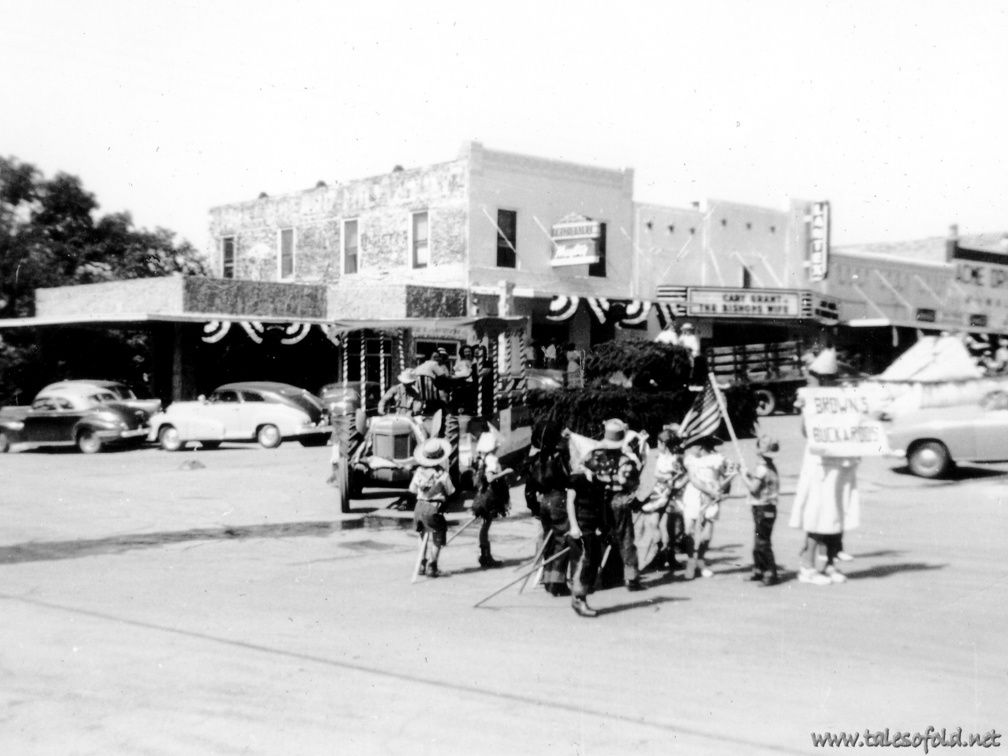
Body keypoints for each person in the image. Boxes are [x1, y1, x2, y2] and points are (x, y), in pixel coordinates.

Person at [586, 419, 647, 592]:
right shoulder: (625, 461)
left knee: (599, 538)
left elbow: (589, 476)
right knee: (626, 539)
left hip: (599, 500)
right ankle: (631, 579)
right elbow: (633, 484)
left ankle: (592, 578)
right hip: (619, 500)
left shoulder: (594, 458)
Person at [790, 450, 860, 585]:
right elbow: (806, 429)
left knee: (836, 515)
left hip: (843, 461)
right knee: (818, 516)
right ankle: (807, 568)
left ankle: (829, 565)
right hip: (821, 464)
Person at [523, 421, 572, 596]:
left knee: (549, 541)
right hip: (559, 499)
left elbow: (528, 490)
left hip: (543, 501)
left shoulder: (534, 460)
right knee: (562, 539)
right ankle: (557, 582)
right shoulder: (561, 456)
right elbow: (569, 477)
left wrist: (535, 508)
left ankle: (548, 578)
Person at [681, 434, 736, 579]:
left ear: (699, 446)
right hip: (694, 495)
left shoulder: (718, 459)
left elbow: (728, 477)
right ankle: (691, 562)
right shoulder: (690, 459)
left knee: (706, 533)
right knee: (689, 531)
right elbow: (693, 479)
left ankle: (700, 560)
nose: (689, 449)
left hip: (712, 498)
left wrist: (722, 492)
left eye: (692, 445)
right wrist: (709, 491)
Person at [566, 437, 609, 618]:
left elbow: (600, 504)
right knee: (582, 562)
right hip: (581, 525)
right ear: (585, 459)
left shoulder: (597, 480)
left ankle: (582, 597)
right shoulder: (576, 479)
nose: (601, 461)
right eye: (596, 458)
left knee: (591, 561)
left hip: (593, 525)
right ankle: (578, 600)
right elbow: (570, 503)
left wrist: (602, 525)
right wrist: (574, 526)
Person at [641, 424, 688, 571]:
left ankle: (669, 554)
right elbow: (656, 474)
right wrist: (665, 476)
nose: (657, 446)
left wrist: (673, 481)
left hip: (671, 494)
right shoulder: (661, 457)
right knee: (653, 523)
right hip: (659, 492)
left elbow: (684, 476)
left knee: (670, 526)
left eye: (658, 443)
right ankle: (660, 548)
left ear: (664, 444)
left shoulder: (676, 459)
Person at [410, 438, 455, 578]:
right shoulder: (443, 474)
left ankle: (421, 563)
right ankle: (432, 565)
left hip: (419, 507)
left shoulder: (418, 472)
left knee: (422, 533)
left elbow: (412, 489)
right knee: (438, 535)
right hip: (433, 508)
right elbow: (451, 491)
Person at [742, 435, 781, 586]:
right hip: (768, 507)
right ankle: (759, 569)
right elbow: (761, 482)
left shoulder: (762, 468)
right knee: (759, 540)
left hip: (762, 507)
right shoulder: (770, 467)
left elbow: (753, 488)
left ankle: (770, 573)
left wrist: (742, 475)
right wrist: (750, 475)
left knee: (763, 542)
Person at [470, 432, 512, 568]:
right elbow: (490, 478)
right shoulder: (492, 459)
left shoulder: (484, 457)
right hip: (490, 496)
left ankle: (485, 555)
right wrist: (505, 472)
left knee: (485, 526)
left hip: (483, 495)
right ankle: (485, 556)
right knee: (486, 526)